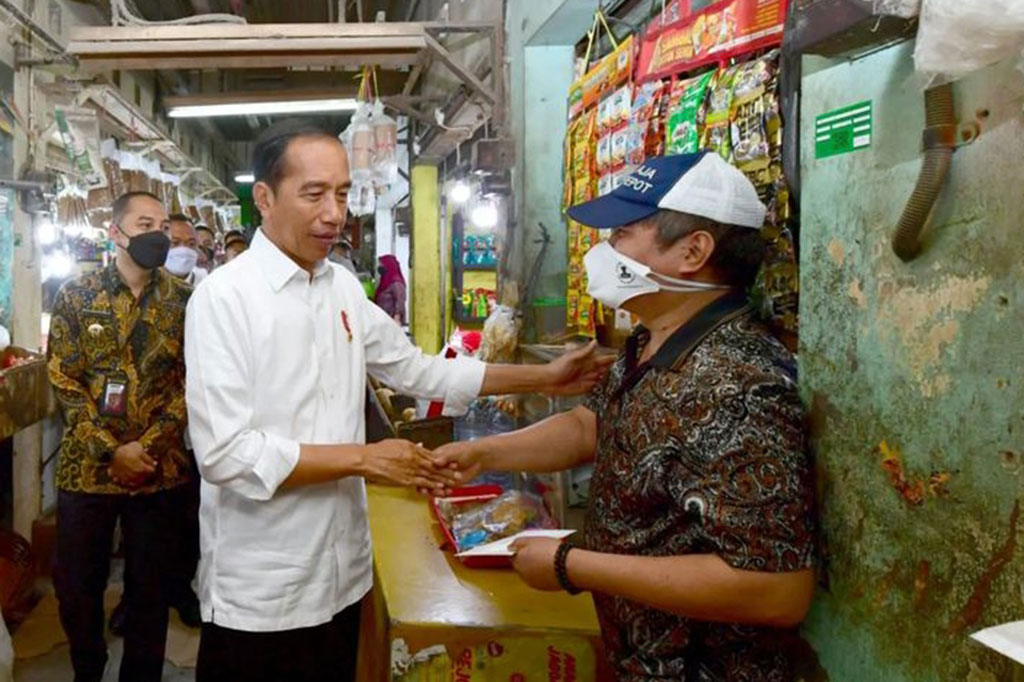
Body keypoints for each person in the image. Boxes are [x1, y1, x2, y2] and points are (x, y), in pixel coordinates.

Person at [184, 119, 612, 682]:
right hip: (265, 587)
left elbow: (415, 369)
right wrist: (365, 459)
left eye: (342, 194)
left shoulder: (339, 286)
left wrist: (543, 378)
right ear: (264, 198)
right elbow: (225, 454)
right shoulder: (224, 298)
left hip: (342, 573)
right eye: (314, 194)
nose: (334, 214)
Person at [435, 154, 817, 681]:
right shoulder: (649, 339)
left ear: (693, 251)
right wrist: (483, 453)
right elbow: (591, 427)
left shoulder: (740, 384)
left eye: (622, 233)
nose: (604, 249)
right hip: (637, 655)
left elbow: (776, 589)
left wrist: (570, 565)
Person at [47, 190, 192, 682]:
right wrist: (110, 451)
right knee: (75, 587)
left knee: (151, 591)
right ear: (116, 233)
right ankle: (88, 669)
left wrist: (146, 449)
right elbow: (63, 379)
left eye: (164, 226)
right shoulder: (76, 296)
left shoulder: (185, 302)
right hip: (88, 468)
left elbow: (193, 384)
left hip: (157, 470)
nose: (159, 235)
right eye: (145, 224)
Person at [166, 213, 209, 286]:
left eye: (191, 244)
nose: (184, 249)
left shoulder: (206, 281)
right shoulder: (148, 283)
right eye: (175, 243)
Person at [374, 254, 406, 325]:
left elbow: (400, 301)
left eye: (382, 265)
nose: (380, 267)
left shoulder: (396, 283)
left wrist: (397, 318)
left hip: (392, 322)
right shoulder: (384, 282)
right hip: (383, 321)